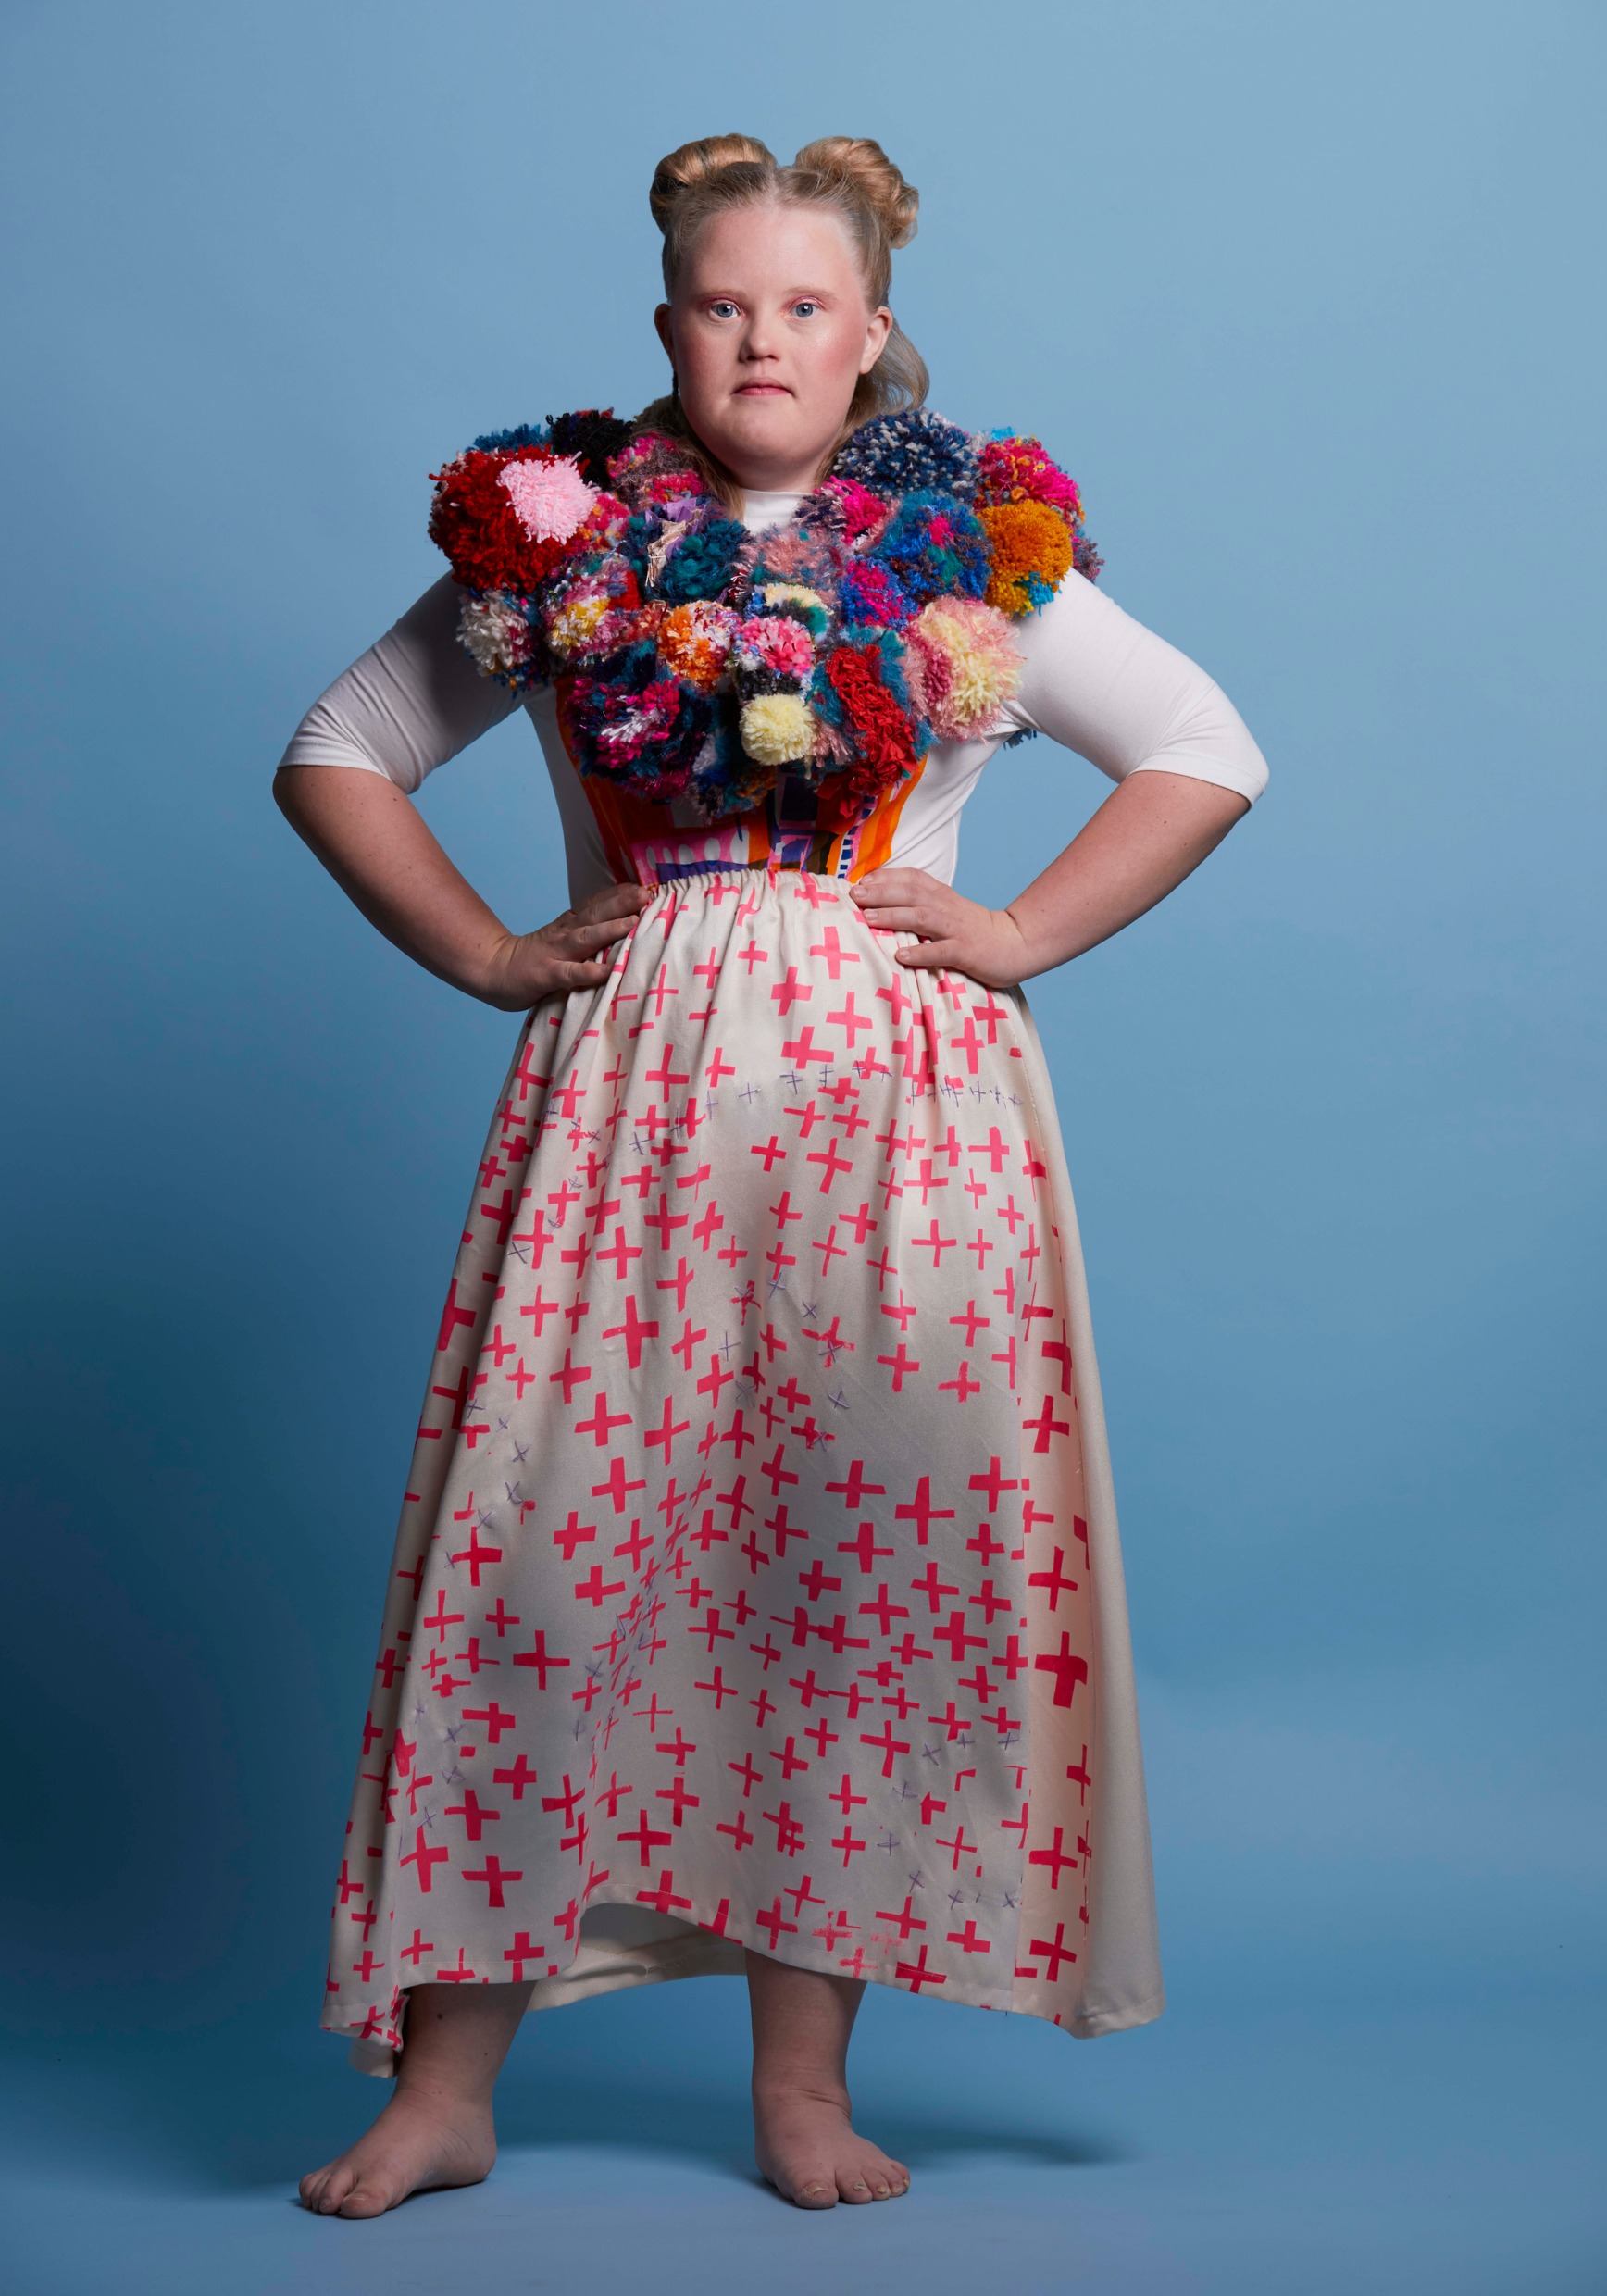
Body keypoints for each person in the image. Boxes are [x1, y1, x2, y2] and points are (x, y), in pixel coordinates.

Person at [276, 132, 1268, 2220]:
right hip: (623, 1113)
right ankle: (446, 2076)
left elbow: (1201, 745)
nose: (762, 337)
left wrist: (1021, 931)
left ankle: (801, 2092)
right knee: (534, 1573)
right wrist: (480, 948)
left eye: (803, 305)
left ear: (869, 333)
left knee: (843, 1586)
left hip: (902, 1132)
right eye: (724, 303)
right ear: (668, 328)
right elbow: (341, 746)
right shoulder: (558, 542)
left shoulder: (969, 551)